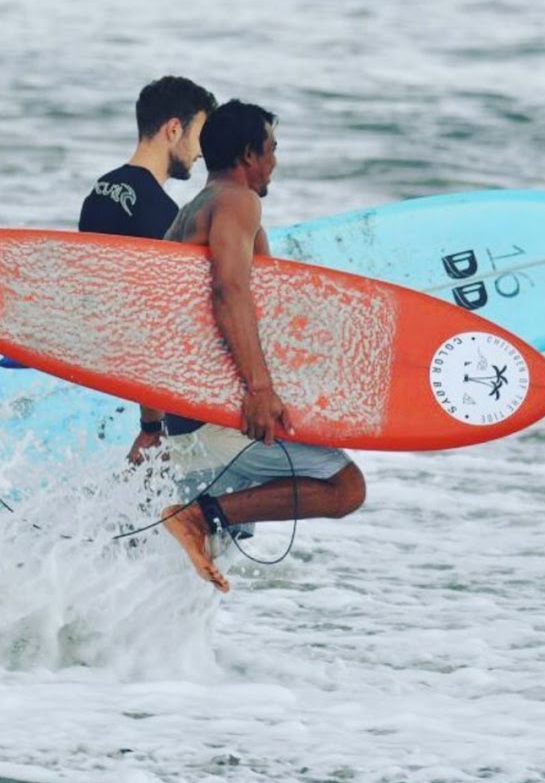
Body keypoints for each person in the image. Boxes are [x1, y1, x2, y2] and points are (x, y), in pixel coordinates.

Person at [159, 100, 367, 593]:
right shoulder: (236, 201)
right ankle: (196, 515)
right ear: (249, 155)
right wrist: (259, 388)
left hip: (187, 413)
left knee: (191, 579)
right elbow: (229, 289)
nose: (275, 161)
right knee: (345, 488)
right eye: (272, 149)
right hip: (219, 413)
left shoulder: (195, 210)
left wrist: (152, 425)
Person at [79, 76, 217, 461]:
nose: (202, 153)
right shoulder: (161, 213)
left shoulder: (100, 190)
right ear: (174, 129)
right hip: (147, 395)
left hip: (103, 370)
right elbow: (155, 320)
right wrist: (152, 426)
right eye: (200, 136)